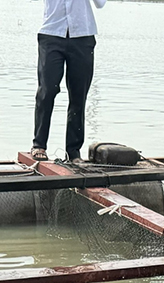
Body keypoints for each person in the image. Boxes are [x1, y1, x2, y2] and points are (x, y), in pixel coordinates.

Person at [31, 0, 107, 162]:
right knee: (47, 90)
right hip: (51, 34)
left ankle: (73, 152)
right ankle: (39, 145)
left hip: (83, 35)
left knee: (79, 95)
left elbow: (100, 3)